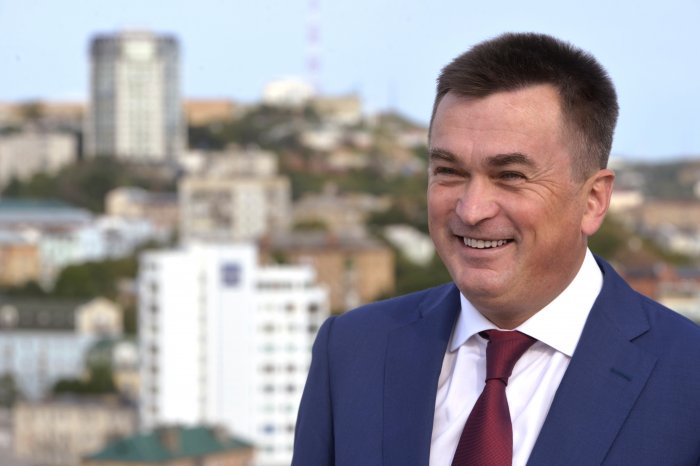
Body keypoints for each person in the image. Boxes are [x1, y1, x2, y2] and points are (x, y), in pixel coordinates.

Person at [292, 32, 700, 466]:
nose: (471, 210)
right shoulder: (352, 351)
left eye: (510, 176)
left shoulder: (688, 378)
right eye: (448, 171)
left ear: (593, 200)